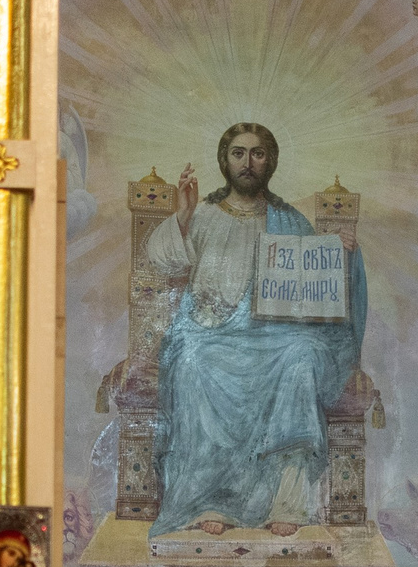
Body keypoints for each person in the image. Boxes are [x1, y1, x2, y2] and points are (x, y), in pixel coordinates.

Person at [144, 124, 367, 538]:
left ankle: (287, 502)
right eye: (239, 153)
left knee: (302, 356)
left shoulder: (289, 220)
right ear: (224, 160)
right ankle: (209, 499)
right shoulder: (205, 215)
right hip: (212, 333)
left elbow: (313, 276)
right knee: (191, 362)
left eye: (258, 154)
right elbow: (162, 261)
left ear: (271, 161)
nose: (248, 163)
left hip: (274, 338)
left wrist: (337, 247)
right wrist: (184, 214)